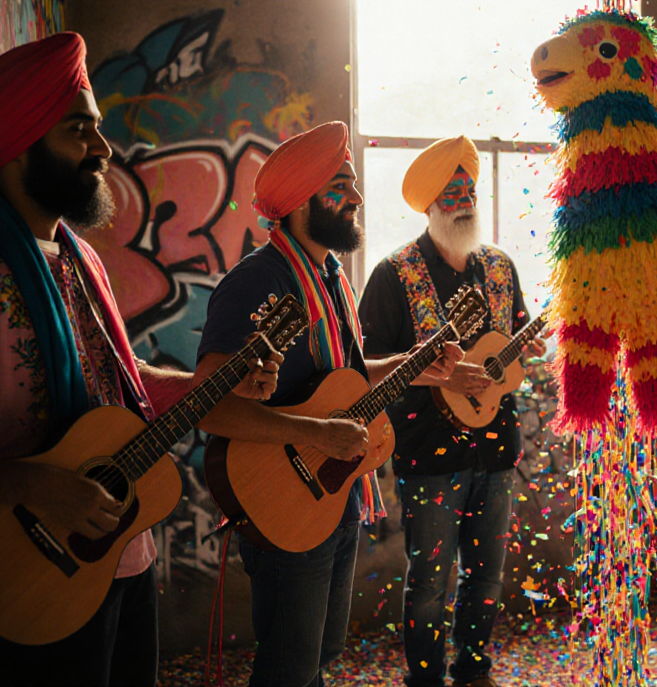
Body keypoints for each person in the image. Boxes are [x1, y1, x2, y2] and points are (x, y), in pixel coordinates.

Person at [0, 33, 279, 686]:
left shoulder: (82, 260)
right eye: (79, 129)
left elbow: (124, 386)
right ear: (23, 144)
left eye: (98, 130)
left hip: (121, 553)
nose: (102, 150)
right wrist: (34, 485)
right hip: (28, 576)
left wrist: (217, 384)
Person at [193, 122, 460, 687]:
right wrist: (318, 435)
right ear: (297, 202)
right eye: (341, 184)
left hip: (332, 491)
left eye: (354, 182)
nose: (357, 198)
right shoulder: (255, 283)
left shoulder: (332, 277)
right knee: (289, 667)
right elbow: (209, 407)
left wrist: (418, 363)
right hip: (283, 499)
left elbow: (349, 380)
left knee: (318, 654)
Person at [358, 136, 545, 687]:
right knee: (430, 582)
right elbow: (365, 365)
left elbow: (512, 340)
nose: (463, 200)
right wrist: (438, 373)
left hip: (496, 447)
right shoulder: (394, 274)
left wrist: (525, 348)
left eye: (469, 189)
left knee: (487, 577)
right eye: (450, 192)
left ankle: (474, 670)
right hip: (427, 452)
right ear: (428, 204)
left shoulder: (500, 267)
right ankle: (425, 680)